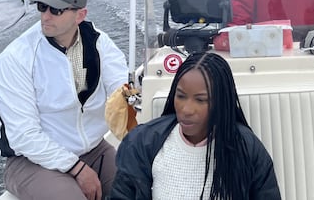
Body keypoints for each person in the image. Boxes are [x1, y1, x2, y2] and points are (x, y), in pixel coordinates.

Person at [0, 0, 128, 200]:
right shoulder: (15, 60)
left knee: (137, 186)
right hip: (31, 161)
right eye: (42, 7)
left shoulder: (97, 42)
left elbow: (120, 90)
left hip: (94, 150)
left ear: (80, 15)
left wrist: (136, 128)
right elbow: (24, 136)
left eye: (55, 10)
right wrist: (78, 168)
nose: (45, 16)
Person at [111, 52, 281, 199]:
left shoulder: (248, 149)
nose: (186, 110)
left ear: (220, 103)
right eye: (181, 96)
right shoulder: (141, 143)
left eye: (200, 100)